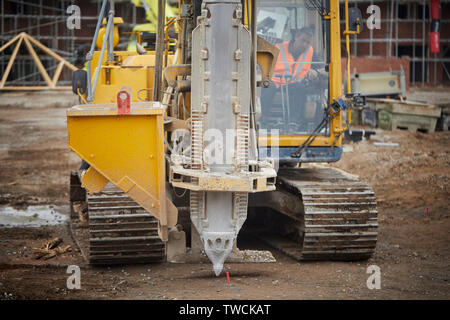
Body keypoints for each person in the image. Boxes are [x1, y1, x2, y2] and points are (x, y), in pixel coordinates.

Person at [261, 27, 327, 130]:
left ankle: (293, 122)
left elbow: (325, 69)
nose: (305, 45)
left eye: (308, 42)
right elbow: (264, 66)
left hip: (294, 84)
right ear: (296, 37)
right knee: (267, 86)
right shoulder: (278, 48)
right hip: (276, 81)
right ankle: (263, 119)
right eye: (303, 40)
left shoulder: (310, 52)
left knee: (299, 88)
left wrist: (316, 72)